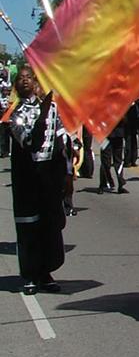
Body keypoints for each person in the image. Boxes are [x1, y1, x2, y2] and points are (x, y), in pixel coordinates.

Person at [8, 65, 67, 295]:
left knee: (49, 225)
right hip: (27, 179)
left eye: (28, 78)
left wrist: (67, 176)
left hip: (49, 177)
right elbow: (31, 142)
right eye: (20, 78)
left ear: (35, 81)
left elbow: (62, 143)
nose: (24, 81)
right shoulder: (16, 115)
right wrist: (42, 115)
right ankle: (30, 274)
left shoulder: (53, 108)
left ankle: (46, 272)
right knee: (29, 227)